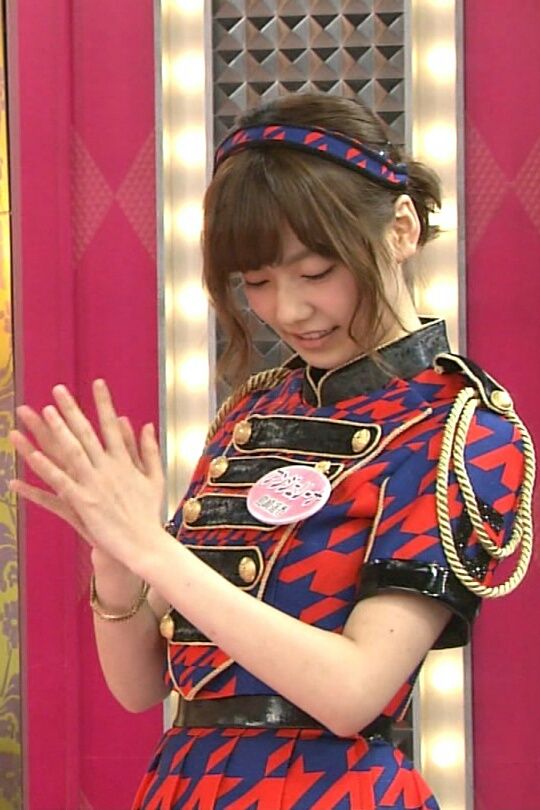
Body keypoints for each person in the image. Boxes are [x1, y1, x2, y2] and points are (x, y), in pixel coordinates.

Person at [9, 94, 535, 810]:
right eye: (256, 282)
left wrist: (153, 549)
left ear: (401, 229)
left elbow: (353, 693)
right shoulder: (253, 412)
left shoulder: (458, 429)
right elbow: (140, 686)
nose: (287, 310)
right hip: (184, 785)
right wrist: (116, 557)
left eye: (315, 273)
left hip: (328, 791)